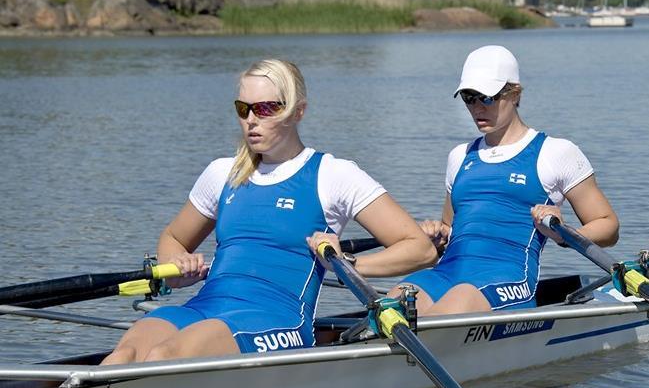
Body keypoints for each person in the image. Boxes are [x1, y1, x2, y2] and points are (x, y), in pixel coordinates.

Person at [103, 59, 435, 364]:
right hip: (205, 307)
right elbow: (173, 238)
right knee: (125, 354)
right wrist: (176, 269)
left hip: (277, 319)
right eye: (243, 108)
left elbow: (419, 248)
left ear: (298, 111)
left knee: (167, 353)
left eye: (265, 109)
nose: (251, 120)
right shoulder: (223, 173)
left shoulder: (333, 175)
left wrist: (349, 266)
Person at [389, 45, 619, 315]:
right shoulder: (459, 157)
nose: (476, 108)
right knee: (392, 304)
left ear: (515, 93)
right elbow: (450, 230)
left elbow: (609, 227)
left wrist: (562, 233)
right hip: (446, 273)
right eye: (468, 97)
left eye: (486, 97)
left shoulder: (555, 152)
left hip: (508, 279)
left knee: (457, 302)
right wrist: (437, 235)